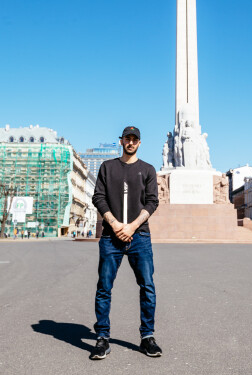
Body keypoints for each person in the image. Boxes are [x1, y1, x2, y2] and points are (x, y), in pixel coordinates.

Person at [91, 126, 161, 360]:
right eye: (127, 139)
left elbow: (152, 202)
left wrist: (130, 226)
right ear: (121, 141)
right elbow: (98, 197)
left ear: (139, 143)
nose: (130, 142)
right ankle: (102, 338)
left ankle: (147, 337)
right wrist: (114, 224)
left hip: (139, 236)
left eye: (135, 139)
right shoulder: (107, 167)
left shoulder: (148, 170)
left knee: (147, 287)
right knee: (104, 288)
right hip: (111, 237)